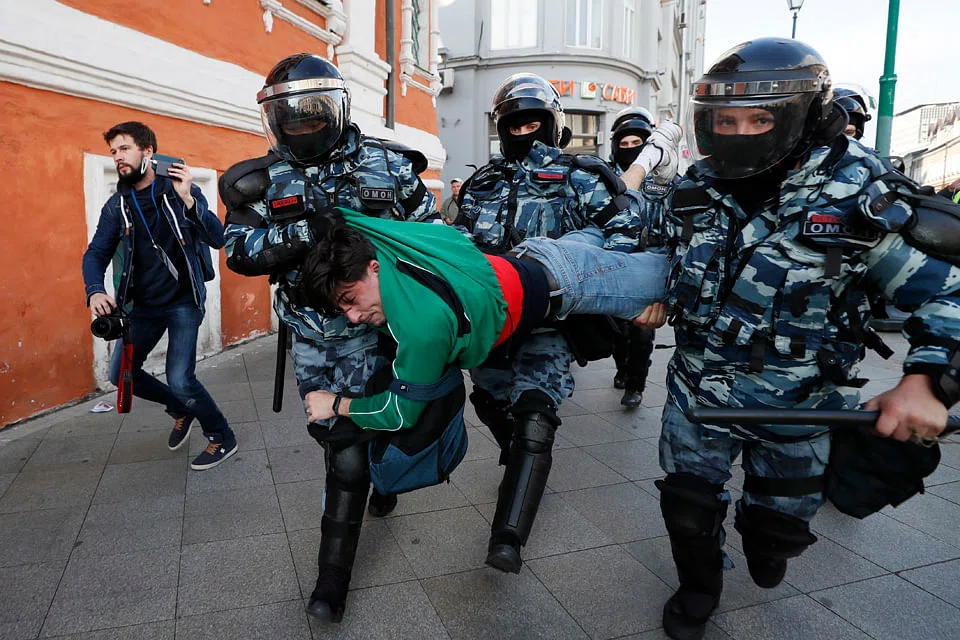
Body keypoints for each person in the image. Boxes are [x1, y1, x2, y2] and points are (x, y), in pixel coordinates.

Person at [629, 38, 960, 640]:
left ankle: (768, 542)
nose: (739, 134)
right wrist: (655, 294)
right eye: (726, 121)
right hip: (698, 392)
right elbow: (658, 252)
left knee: (777, 531)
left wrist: (926, 381)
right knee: (686, 509)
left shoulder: (857, 193)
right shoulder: (694, 188)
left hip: (801, 403)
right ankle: (699, 588)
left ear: (802, 117)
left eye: (759, 120)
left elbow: (949, 292)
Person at [219, 53, 438, 623]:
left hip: (376, 332)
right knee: (334, 436)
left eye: (312, 113)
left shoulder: (389, 167)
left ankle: (331, 581)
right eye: (290, 115)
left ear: (336, 109)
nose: (302, 124)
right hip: (311, 335)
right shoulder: (259, 181)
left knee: (349, 449)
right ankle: (374, 478)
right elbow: (237, 252)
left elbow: (433, 236)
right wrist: (303, 230)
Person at [453, 72, 677, 574]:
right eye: (514, 125)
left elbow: (624, 234)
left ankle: (508, 538)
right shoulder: (482, 183)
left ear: (552, 125)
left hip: (552, 321)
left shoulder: (581, 175)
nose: (523, 132)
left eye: (532, 123)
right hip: (492, 317)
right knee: (490, 398)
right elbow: (459, 243)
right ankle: (518, 455)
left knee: (536, 409)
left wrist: (614, 288)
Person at [298, 210, 670, 429]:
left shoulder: (421, 327)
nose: (353, 317)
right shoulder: (383, 240)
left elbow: (398, 413)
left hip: (569, 280)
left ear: (373, 268)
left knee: (676, 278)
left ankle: (655, 158)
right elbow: (342, 218)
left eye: (350, 299)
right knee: (599, 227)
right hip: (536, 253)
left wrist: (336, 404)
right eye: (342, 309)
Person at [82, 121, 235, 470]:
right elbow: (96, 253)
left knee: (181, 378)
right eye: (113, 152)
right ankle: (181, 408)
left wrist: (189, 199)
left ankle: (222, 435)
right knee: (121, 373)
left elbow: (218, 238)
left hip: (183, 301)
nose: (118, 157)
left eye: (124, 149)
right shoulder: (117, 206)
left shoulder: (177, 190)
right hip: (142, 307)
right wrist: (95, 290)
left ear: (148, 152)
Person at [607, 106, 665, 408]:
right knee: (618, 330)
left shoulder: (664, 178)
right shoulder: (606, 177)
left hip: (650, 263)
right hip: (617, 264)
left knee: (642, 332)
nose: (630, 148)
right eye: (625, 143)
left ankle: (636, 385)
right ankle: (622, 369)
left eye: (636, 143)